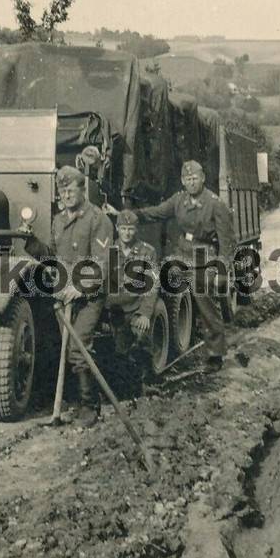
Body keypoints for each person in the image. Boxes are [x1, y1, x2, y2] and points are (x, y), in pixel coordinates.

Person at [24, 165, 113, 424]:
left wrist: (80, 288)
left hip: (89, 296)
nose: (66, 195)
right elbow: (53, 257)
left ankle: (90, 407)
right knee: (62, 349)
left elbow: (101, 264)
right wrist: (30, 242)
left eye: (70, 190)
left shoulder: (98, 220)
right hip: (64, 295)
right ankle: (65, 403)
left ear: (82, 190)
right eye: (62, 191)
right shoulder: (59, 220)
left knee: (78, 348)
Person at [132, 160, 237, 372]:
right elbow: (158, 212)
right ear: (182, 181)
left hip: (204, 255)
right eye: (187, 179)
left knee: (205, 302)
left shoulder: (215, 204)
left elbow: (227, 243)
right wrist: (134, 215)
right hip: (181, 252)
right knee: (158, 282)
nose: (191, 182)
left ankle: (215, 355)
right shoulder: (179, 200)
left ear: (203, 178)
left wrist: (221, 271)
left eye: (195, 178)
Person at [105, 209, 158, 380]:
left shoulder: (146, 252)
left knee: (141, 343)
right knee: (118, 354)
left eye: (130, 229)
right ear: (117, 228)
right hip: (116, 311)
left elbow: (151, 286)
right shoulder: (109, 251)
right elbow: (103, 283)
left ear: (136, 230)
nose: (127, 233)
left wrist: (144, 314)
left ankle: (146, 383)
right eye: (123, 229)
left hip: (136, 308)